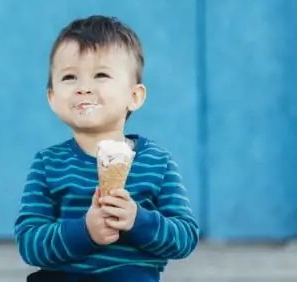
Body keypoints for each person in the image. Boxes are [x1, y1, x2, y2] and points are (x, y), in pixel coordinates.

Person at [14, 15, 199, 282]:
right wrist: (84, 231)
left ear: (134, 96)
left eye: (100, 75)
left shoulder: (157, 163)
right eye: (69, 77)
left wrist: (138, 221)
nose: (84, 88)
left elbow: (185, 237)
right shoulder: (47, 164)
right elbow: (30, 243)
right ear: (52, 99)